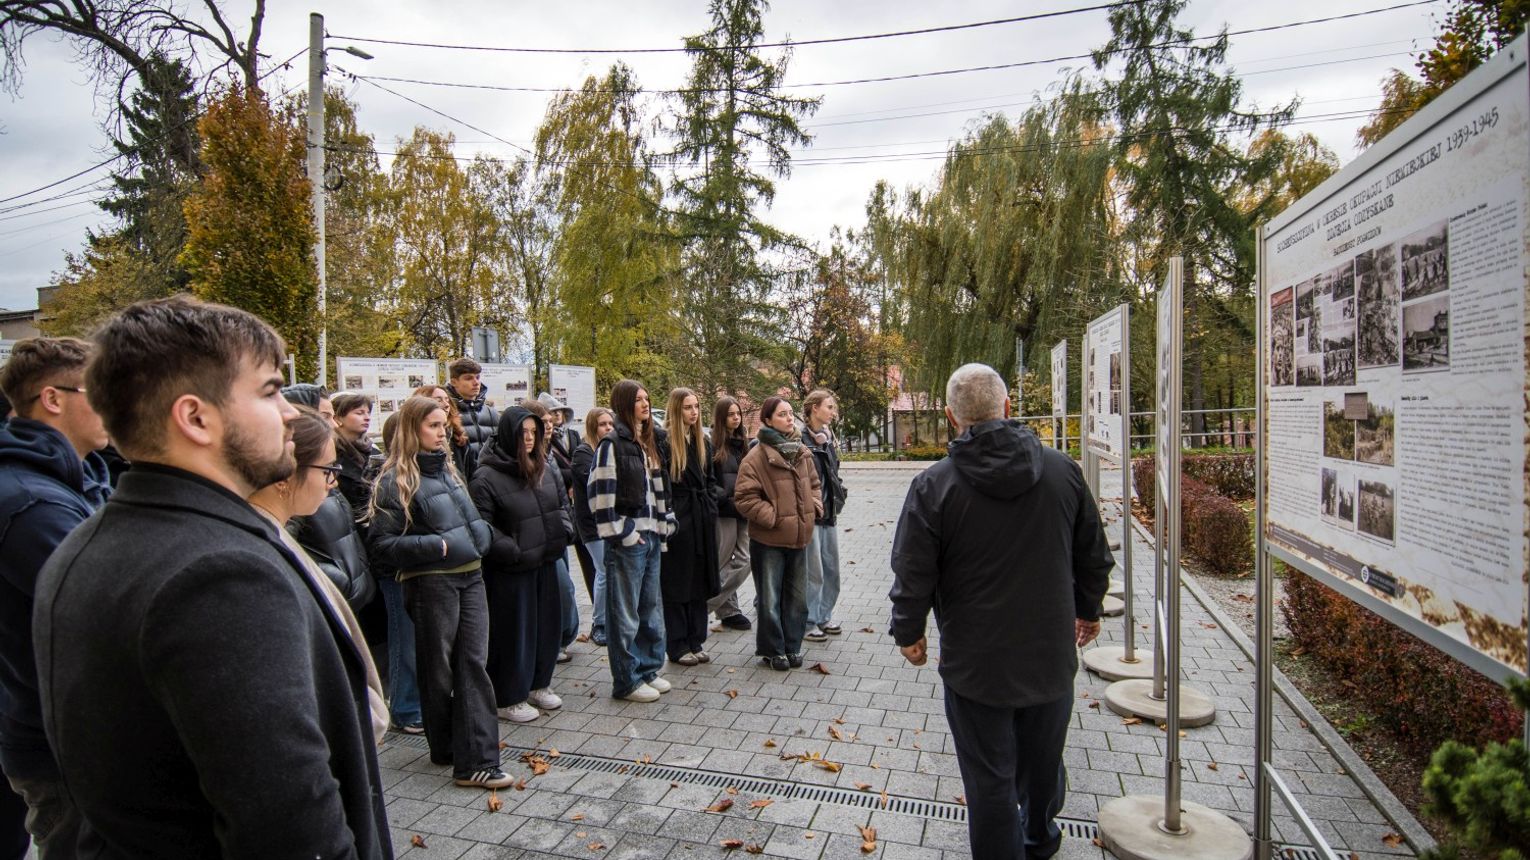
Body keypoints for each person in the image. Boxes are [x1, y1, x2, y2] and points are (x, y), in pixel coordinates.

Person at [32, 296, 390, 857]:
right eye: (271, 391)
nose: (293, 413)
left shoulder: (91, 541)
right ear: (196, 417)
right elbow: (290, 827)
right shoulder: (221, 574)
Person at [889, 363, 1113, 860]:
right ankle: (1040, 836)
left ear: (950, 417)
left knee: (989, 777)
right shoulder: (1063, 471)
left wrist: (909, 630)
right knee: (1042, 756)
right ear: (1008, 407)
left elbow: (912, 568)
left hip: (976, 663)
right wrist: (1088, 608)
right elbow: (1093, 555)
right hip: (1049, 653)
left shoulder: (934, 485)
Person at [0, 336, 111, 855]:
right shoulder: (30, 502)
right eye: (102, 389)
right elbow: (101, 612)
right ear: (53, 398)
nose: (116, 402)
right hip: (60, 742)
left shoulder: (78, 478)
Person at [367, 395, 508, 789]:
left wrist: (481, 537)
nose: (441, 431)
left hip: (471, 577)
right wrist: (434, 547)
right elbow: (381, 546)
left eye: (442, 424)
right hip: (431, 583)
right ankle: (448, 748)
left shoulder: (447, 470)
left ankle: (474, 759)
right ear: (413, 430)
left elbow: (470, 519)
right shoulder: (394, 480)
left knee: (471, 665)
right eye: (432, 425)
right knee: (438, 670)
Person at [248, 406, 389, 747]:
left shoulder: (270, 537)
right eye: (328, 470)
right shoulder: (264, 558)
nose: (334, 481)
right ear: (287, 473)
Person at [470, 407, 572, 723]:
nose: (528, 439)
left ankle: (538, 684)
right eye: (522, 433)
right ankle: (508, 696)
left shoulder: (545, 466)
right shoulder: (487, 475)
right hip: (511, 571)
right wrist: (513, 550)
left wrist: (564, 531)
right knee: (515, 633)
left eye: (533, 432)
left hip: (546, 560)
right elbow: (481, 527)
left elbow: (562, 504)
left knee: (546, 628)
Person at [334, 392, 419, 733]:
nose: (365, 417)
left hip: (385, 564)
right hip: (381, 566)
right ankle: (405, 706)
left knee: (398, 636)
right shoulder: (371, 471)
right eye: (357, 412)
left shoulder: (368, 457)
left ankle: (402, 700)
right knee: (402, 637)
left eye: (368, 412)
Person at [587, 379, 674, 703]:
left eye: (647, 398)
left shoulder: (647, 443)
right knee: (625, 614)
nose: (645, 403)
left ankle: (649, 669)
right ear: (625, 404)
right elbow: (598, 497)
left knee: (650, 608)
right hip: (629, 540)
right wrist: (626, 533)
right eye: (638, 399)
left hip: (652, 536)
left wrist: (665, 523)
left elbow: (659, 491)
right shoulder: (612, 444)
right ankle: (627, 680)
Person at [733, 397, 820, 671]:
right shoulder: (756, 456)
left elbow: (815, 485)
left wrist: (814, 507)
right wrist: (773, 517)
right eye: (782, 414)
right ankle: (773, 650)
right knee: (770, 598)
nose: (789, 418)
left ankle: (792, 647)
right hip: (769, 539)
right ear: (768, 420)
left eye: (790, 413)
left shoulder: (802, 451)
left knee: (797, 598)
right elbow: (744, 497)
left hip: (799, 537)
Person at [659, 388, 720, 666]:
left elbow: (710, 480)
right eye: (687, 407)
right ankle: (678, 643)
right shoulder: (665, 442)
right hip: (680, 519)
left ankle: (696, 638)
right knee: (677, 582)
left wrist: (709, 506)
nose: (693, 412)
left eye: (696, 406)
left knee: (698, 580)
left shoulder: (703, 442)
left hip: (701, 517)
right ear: (676, 409)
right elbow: (663, 484)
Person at [525, 400, 580, 661]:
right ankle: (554, 641)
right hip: (538, 538)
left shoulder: (549, 452)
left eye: (551, 421)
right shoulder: (528, 457)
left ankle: (561, 639)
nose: (550, 425)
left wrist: (566, 525)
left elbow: (559, 494)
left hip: (557, 532)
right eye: (544, 422)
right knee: (559, 590)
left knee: (564, 589)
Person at [802, 389, 847, 642]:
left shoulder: (827, 438)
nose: (833, 412)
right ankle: (809, 621)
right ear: (814, 409)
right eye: (829, 407)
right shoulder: (802, 440)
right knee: (814, 572)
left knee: (831, 569)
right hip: (813, 514)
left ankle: (824, 615)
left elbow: (833, 474)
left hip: (829, 513)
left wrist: (841, 493)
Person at [707, 397, 752, 631]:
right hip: (724, 511)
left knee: (745, 560)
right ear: (721, 417)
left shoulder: (744, 442)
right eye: (731, 414)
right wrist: (724, 495)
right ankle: (729, 611)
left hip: (744, 508)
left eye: (738, 414)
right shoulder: (711, 443)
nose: (736, 418)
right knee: (722, 561)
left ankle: (705, 604)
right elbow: (708, 480)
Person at [572, 407, 615, 645]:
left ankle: (609, 619)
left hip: (607, 522)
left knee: (608, 570)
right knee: (604, 570)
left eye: (610, 423)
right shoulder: (584, 453)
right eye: (602, 424)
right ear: (592, 426)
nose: (608, 428)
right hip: (591, 525)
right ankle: (599, 623)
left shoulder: (606, 450)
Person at [448, 358, 497, 479]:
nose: (476, 382)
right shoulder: (446, 413)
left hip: (489, 480)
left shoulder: (491, 413)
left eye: (478, 377)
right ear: (454, 382)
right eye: (468, 378)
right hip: (461, 481)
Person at [415, 384, 471, 477]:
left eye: (447, 400)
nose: (446, 405)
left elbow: (469, 471)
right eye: (439, 400)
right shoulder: (418, 440)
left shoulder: (459, 434)